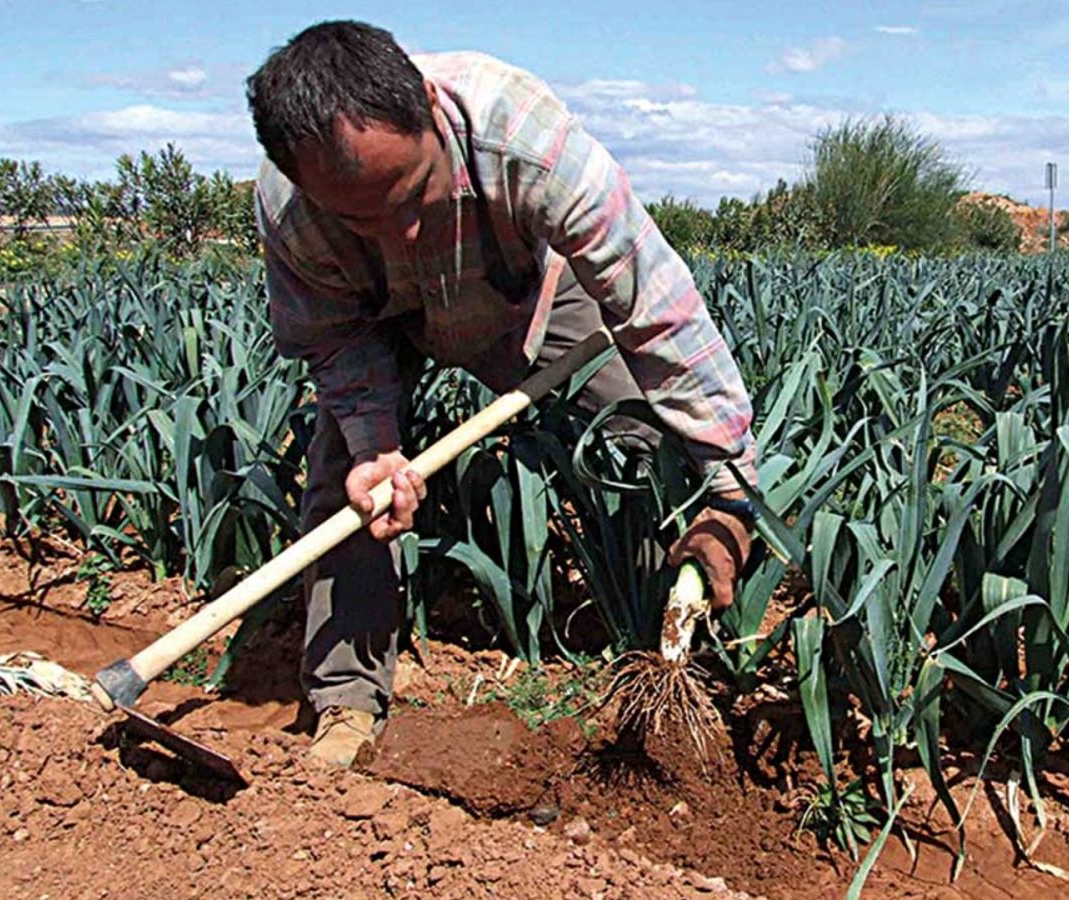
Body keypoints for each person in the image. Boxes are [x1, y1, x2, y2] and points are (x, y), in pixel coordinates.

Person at [245, 20, 758, 767]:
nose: (403, 232)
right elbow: (334, 340)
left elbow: (657, 307)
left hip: (522, 295)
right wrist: (372, 444)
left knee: (641, 434)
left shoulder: (525, 137)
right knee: (347, 490)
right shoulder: (292, 207)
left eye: (414, 192)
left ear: (426, 104)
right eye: (363, 218)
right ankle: (346, 701)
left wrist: (730, 486)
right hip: (378, 319)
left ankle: (674, 657)